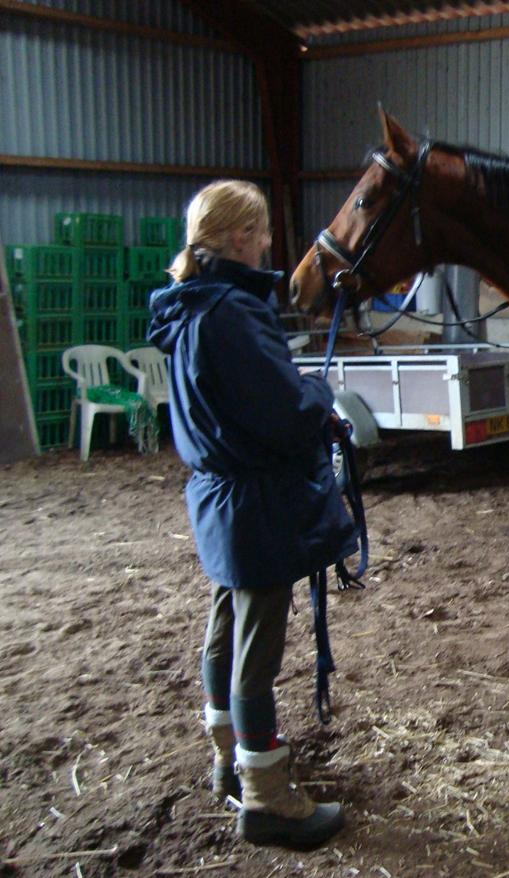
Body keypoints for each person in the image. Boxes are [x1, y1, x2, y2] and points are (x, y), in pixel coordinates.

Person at [148, 180, 357, 850]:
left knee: (226, 627)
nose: (269, 245)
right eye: (262, 234)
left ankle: (230, 759)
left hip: (219, 496)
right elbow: (288, 415)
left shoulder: (190, 307)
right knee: (256, 648)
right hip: (254, 503)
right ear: (239, 238)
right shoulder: (231, 315)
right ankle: (267, 797)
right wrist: (321, 390)